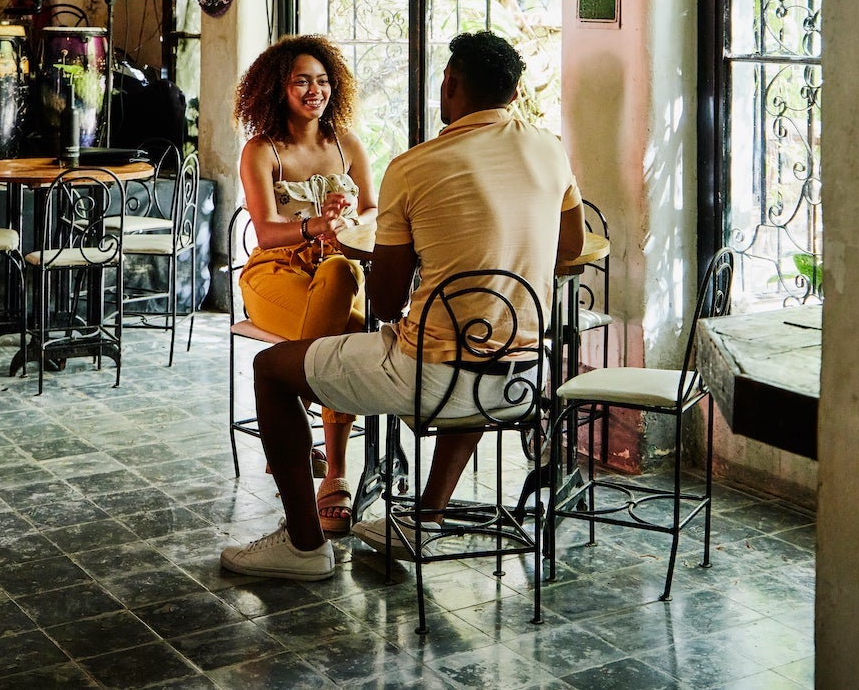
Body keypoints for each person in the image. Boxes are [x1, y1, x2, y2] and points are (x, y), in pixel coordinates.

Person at [220, 30, 585, 581]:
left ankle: (302, 545)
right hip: (519, 378)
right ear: (513, 93)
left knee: (271, 369)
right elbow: (572, 249)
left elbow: (387, 302)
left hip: (427, 378)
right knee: (477, 340)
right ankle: (424, 517)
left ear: (451, 85)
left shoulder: (414, 166)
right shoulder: (551, 149)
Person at [233, 34, 378, 534]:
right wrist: (317, 223)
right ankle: (333, 474)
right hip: (275, 273)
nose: (315, 90)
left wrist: (351, 216)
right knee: (349, 338)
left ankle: (293, 417)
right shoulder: (262, 150)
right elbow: (267, 230)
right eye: (302, 81)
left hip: (333, 273)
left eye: (322, 81)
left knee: (343, 275)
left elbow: (375, 211)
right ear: (279, 89)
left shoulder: (347, 144)